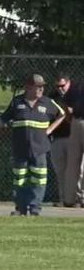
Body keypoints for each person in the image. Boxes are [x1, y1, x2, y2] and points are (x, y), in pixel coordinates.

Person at [0, 74, 66, 216]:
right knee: (20, 179)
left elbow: (62, 115)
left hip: (40, 149)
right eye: (37, 86)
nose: (40, 89)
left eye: (42, 86)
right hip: (20, 149)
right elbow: (4, 118)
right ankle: (21, 209)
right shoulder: (17, 102)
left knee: (38, 180)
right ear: (28, 87)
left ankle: (34, 209)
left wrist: (50, 129)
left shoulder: (47, 103)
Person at [52, 74, 84, 207]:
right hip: (77, 122)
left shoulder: (76, 89)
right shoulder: (74, 89)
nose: (60, 89)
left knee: (73, 164)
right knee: (74, 165)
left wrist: (72, 117)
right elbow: (66, 107)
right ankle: (77, 198)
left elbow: (67, 108)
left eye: (62, 85)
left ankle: (69, 199)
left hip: (76, 122)